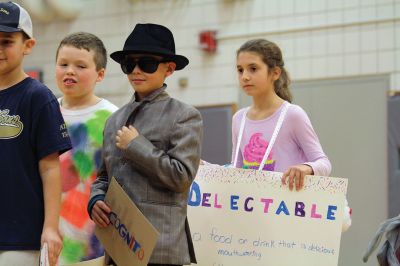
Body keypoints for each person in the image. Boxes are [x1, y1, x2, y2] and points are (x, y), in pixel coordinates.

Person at [88, 23, 203, 266]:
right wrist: (95, 199)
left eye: (147, 63)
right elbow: (103, 177)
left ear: (169, 69)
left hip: (161, 249)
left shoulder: (184, 115)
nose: (136, 71)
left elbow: (181, 177)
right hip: (118, 244)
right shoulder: (114, 120)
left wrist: (136, 146)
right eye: (129, 64)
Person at [0, 2, 72, 266]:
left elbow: (50, 168)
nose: (0, 48)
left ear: (27, 45)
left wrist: (51, 227)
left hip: (22, 237)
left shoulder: (37, 97)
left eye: (7, 41)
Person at [233, 38, 332, 191]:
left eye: (253, 69)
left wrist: (306, 168)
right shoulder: (238, 118)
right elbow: (236, 171)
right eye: (240, 70)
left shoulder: (293, 115)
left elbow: (324, 163)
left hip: (288, 208)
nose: (245, 76)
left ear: (275, 73)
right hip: (255, 208)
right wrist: (206, 167)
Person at [55, 32, 118, 264]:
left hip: (92, 236)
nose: (70, 71)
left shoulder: (112, 117)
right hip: (48, 231)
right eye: (63, 64)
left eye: (80, 66)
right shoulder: (44, 111)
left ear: (100, 74)